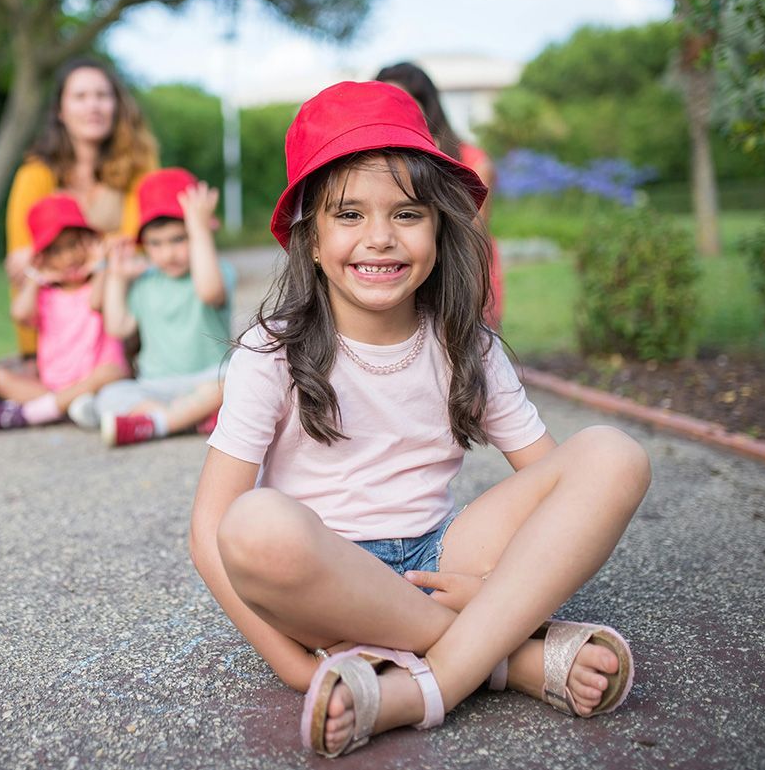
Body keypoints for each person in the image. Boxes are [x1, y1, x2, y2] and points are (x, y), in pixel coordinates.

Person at [188, 82, 651, 758]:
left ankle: (420, 682)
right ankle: (505, 657)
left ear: (438, 227)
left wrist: (488, 581)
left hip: (440, 557)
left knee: (614, 455)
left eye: (407, 212)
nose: (379, 237)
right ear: (310, 240)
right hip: (327, 580)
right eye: (348, 214)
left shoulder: (467, 343)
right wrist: (292, 663)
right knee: (255, 527)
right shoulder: (273, 352)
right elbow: (210, 531)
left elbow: (557, 485)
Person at [4, 57, 159, 360]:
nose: (93, 106)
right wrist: (102, 252)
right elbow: (23, 263)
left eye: (102, 95)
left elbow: (142, 248)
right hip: (57, 336)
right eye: (80, 96)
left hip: (121, 324)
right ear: (60, 110)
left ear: (117, 106)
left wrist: (62, 257)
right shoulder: (35, 174)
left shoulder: (139, 168)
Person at [89, 168, 236, 447]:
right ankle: (181, 419)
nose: (167, 253)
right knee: (109, 395)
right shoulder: (145, 282)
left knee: (238, 377)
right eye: (155, 244)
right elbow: (117, 327)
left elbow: (208, 292)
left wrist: (199, 228)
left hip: (208, 380)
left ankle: (157, 424)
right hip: (157, 386)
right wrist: (117, 279)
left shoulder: (216, 271)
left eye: (179, 239)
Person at [0, 194, 128, 431]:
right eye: (56, 251)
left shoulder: (99, 282)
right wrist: (35, 276)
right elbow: (20, 314)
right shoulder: (45, 294)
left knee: (112, 371)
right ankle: (69, 408)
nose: (68, 257)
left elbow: (97, 303)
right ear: (42, 257)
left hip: (97, 380)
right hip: (54, 386)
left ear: (89, 243)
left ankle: (28, 414)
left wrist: (100, 264)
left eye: (74, 245)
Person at [375, 61, 505, 327]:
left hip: (460, 284)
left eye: (403, 102)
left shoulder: (472, 162)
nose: (392, 113)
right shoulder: (370, 165)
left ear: (427, 106)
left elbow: (472, 239)